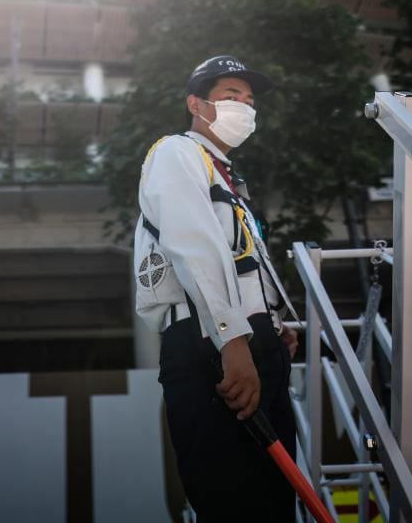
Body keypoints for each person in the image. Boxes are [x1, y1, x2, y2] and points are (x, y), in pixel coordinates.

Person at [134, 55, 300, 521]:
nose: (244, 106)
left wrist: (274, 318)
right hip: (211, 343)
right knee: (230, 498)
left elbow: (240, 256)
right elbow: (193, 246)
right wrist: (232, 338)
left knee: (275, 498)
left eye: (249, 99)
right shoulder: (175, 152)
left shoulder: (227, 175)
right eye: (231, 95)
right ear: (196, 104)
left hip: (251, 340)